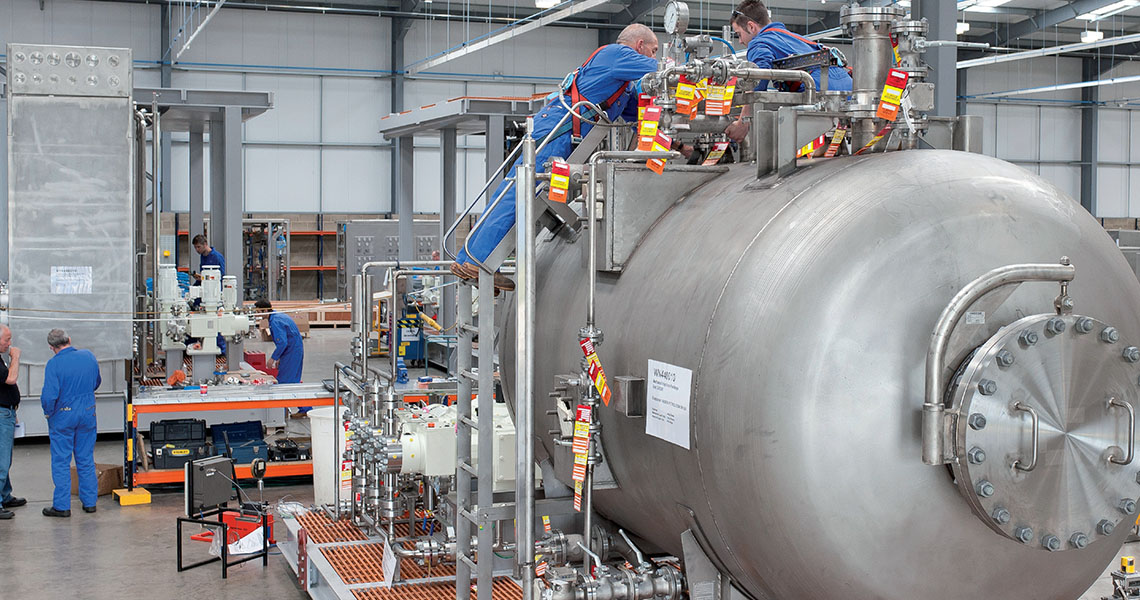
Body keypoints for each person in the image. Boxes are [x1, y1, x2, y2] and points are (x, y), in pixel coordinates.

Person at [452, 24, 684, 290]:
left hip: (564, 135)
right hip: (556, 129)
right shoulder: (615, 54)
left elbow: (638, 114)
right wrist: (687, 68)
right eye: (653, 50)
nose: (653, 57)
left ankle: (469, 259)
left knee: (518, 193)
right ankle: (476, 259)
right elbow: (662, 71)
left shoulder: (623, 85)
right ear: (639, 45)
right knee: (519, 193)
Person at [724, 0, 854, 143]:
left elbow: (757, 80)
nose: (741, 41)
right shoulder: (796, 38)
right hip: (850, 95)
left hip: (820, 100)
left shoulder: (759, 42)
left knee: (780, 145)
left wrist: (743, 123)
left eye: (739, 34)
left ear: (751, 26)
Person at [40, 329, 101, 518]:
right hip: (87, 412)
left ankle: (62, 506)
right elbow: (97, 382)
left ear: (51, 347)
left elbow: (49, 396)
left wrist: (49, 413)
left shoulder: (54, 364)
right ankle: (90, 503)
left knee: (61, 461)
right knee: (85, 458)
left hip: (63, 417)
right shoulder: (88, 356)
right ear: (69, 340)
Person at [254, 300, 306, 416]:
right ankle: (303, 409)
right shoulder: (277, 316)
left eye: (258, 312)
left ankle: (281, 413)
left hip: (291, 352)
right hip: (294, 350)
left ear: (265, 310)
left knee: (283, 382)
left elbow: (282, 343)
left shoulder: (275, 321)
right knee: (293, 381)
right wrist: (279, 358)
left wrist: (273, 358)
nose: (257, 315)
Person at [0, 326, 24, 520]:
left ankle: (5, 495)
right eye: (7, 340)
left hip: (5, 412)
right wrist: (15, 358)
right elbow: (11, 378)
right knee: (1, 460)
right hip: (1, 415)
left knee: (5, 457)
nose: (10, 344)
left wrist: (11, 408)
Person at [191, 233, 227, 354]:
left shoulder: (217, 257)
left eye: (199, 247)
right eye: (195, 247)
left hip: (214, 294)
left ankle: (221, 349)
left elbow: (220, 276)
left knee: (215, 321)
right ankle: (200, 341)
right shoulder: (203, 256)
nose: (197, 250)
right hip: (205, 290)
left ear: (205, 244)